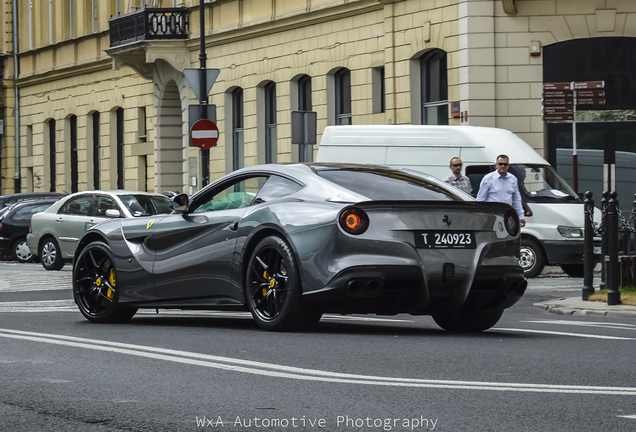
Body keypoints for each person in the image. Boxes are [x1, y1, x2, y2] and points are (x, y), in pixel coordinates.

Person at [476, 154, 526, 227]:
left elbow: (516, 199)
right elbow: (481, 199)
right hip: (492, 215)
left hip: (508, 215)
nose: (503, 166)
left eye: (505, 164)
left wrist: (521, 216)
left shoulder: (513, 179)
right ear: (496, 165)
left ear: (508, 166)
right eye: (500, 164)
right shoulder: (488, 178)